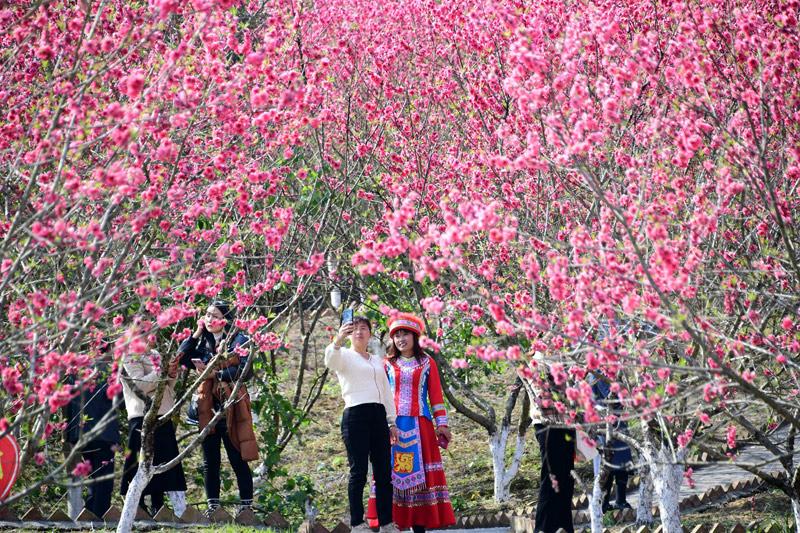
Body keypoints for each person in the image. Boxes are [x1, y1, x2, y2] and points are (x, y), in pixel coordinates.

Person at [366, 312, 455, 533]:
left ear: (415, 337)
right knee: (389, 475)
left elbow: (435, 395)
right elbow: (379, 394)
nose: (401, 339)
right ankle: (391, 524)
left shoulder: (427, 363)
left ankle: (419, 527)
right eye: (396, 335)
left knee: (421, 479)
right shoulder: (386, 365)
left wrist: (441, 424)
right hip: (391, 425)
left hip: (421, 426)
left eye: (405, 334)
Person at [178, 300, 257, 518]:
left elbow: (245, 370)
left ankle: (246, 507)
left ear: (226, 319)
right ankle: (213, 506)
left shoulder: (238, 339)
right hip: (206, 408)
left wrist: (217, 375)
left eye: (215, 315)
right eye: (207, 315)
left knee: (237, 456)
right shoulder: (202, 341)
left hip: (231, 406)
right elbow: (180, 358)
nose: (209, 319)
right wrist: (195, 333)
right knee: (209, 460)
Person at [325, 315, 399, 533]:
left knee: (384, 472)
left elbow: (386, 392)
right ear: (348, 332)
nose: (359, 332)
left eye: (364, 328)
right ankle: (357, 522)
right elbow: (330, 360)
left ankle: (387, 522)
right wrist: (338, 340)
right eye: (355, 328)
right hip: (355, 415)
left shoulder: (377, 360)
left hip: (378, 416)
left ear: (370, 332)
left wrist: (391, 422)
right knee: (358, 472)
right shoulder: (344, 355)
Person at [119, 344, 187, 517]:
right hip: (141, 415)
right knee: (138, 465)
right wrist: (162, 371)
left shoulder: (156, 353)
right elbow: (140, 386)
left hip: (163, 413)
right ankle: (137, 509)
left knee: (166, 465)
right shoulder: (129, 354)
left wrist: (172, 373)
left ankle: (162, 508)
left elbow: (169, 385)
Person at [521, 351, 575, 533]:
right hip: (547, 425)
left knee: (566, 478)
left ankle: (565, 526)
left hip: (566, 424)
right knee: (550, 477)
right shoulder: (537, 360)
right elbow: (541, 398)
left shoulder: (565, 357)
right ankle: (543, 528)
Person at [64, 345, 120, 519]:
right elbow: (120, 402)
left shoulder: (74, 369)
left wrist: (68, 435)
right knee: (103, 480)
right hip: (105, 433)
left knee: (91, 477)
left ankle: (88, 514)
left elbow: (66, 402)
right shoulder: (111, 371)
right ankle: (98, 517)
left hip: (80, 433)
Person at [591, 375, 632, 512]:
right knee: (607, 464)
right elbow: (597, 399)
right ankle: (604, 502)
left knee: (622, 463)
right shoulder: (595, 374)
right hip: (604, 422)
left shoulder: (615, 370)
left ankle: (621, 500)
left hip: (619, 421)